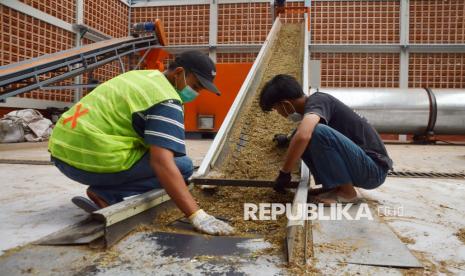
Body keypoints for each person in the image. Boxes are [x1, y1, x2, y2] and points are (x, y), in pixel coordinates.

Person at [49, 51, 234, 235]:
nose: (196, 93)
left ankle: (106, 189)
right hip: (89, 159)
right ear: (178, 73)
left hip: (60, 152)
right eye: (196, 86)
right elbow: (161, 162)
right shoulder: (166, 100)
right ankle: (107, 194)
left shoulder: (141, 76)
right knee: (183, 166)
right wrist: (196, 215)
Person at [259, 74, 393, 204]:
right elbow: (299, 135)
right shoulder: (314, 107)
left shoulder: (319, 100)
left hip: (374, 170)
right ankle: (333, 186)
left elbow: (304, 135)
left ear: (285, 104)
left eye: (276, 109)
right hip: (361, 165)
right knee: (301, 135)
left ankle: (347, 193)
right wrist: (288, 139)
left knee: (316, 131)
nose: (279, 113)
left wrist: (284, 173)